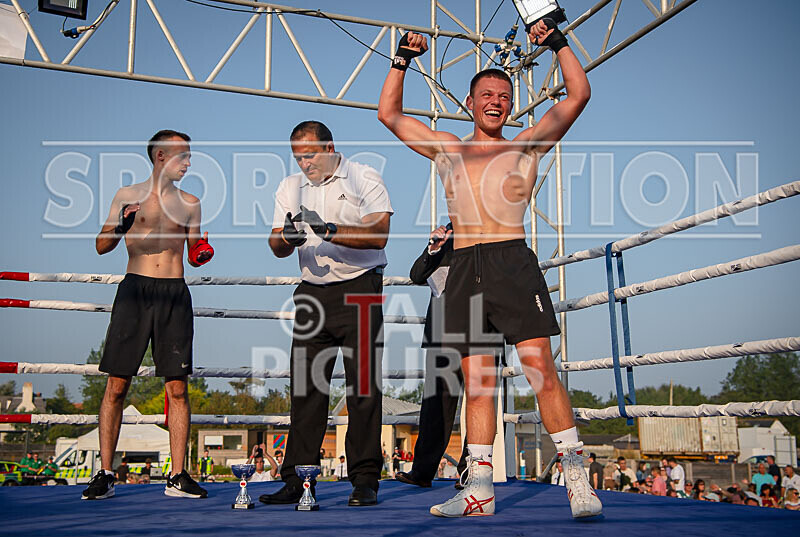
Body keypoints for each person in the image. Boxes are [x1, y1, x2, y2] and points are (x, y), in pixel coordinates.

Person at [378, 17, 597, 520]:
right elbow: (388, 113)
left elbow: (578, 94)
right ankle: (478, 489)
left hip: (512, 259)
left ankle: (577, 481)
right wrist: (403, 59)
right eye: (487, 95)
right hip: (465, 265)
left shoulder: (527, 143)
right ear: (472, 103)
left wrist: (557, 42)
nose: (496, 101)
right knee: (478, 382)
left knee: (541, 370)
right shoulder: (447, 147)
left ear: (511, 103)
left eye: (504, 94)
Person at [260, 120, 393, 509]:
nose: (305, 163)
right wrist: (289, 237)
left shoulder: (364, 177)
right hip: (312, 293)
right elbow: (274, 244)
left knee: (363, 388)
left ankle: (365, 480)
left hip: (361, 287)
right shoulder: (289, 187)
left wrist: (331, 230)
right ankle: (298, 481)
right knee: (306, 390)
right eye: (298, 156)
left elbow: (380, 233)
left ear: (331, 147)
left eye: (311, 154)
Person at [81, 130, 213, 501]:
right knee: (117, 385)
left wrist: (203, 251)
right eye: (182, 156)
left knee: (177, 388)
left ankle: (178, 475)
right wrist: (122, 223)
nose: (188, 163)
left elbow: (194, 250)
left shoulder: (191, 202)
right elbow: (101, 246)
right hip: (135, 289)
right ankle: (106, 473)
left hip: (174, 292)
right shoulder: (127, 196)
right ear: (160, 157)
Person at [395, 224, 469, 489]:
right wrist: (434, 247)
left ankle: (470, 472)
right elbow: (416, 274)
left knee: (480, 402)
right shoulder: (446, 235)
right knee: (435, 406)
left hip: (481, 327)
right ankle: (422, 471)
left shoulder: (488, 230)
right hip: (442, 334)